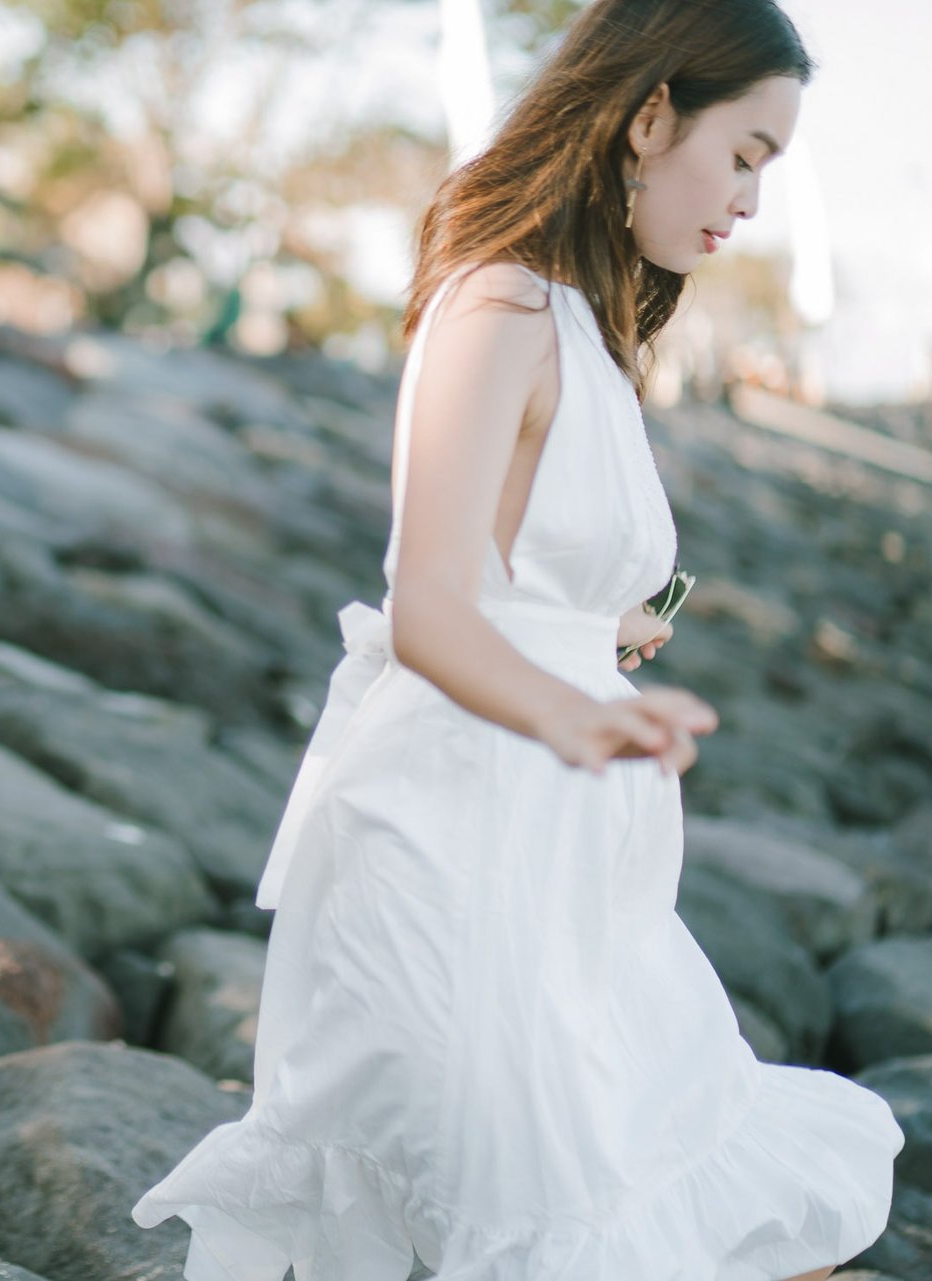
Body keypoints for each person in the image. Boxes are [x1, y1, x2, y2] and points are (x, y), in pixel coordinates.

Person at [131, 1, 904, 1278]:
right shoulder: (499, 303)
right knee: (542, 1217)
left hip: (573, 874)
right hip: (461, 846)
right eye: (748, 154)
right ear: (651, 114)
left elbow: (508, 579)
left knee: (705, 1201)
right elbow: (429, 604)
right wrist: (576, 708)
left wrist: (593, 639)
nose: (752, 201)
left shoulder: (591, 331)